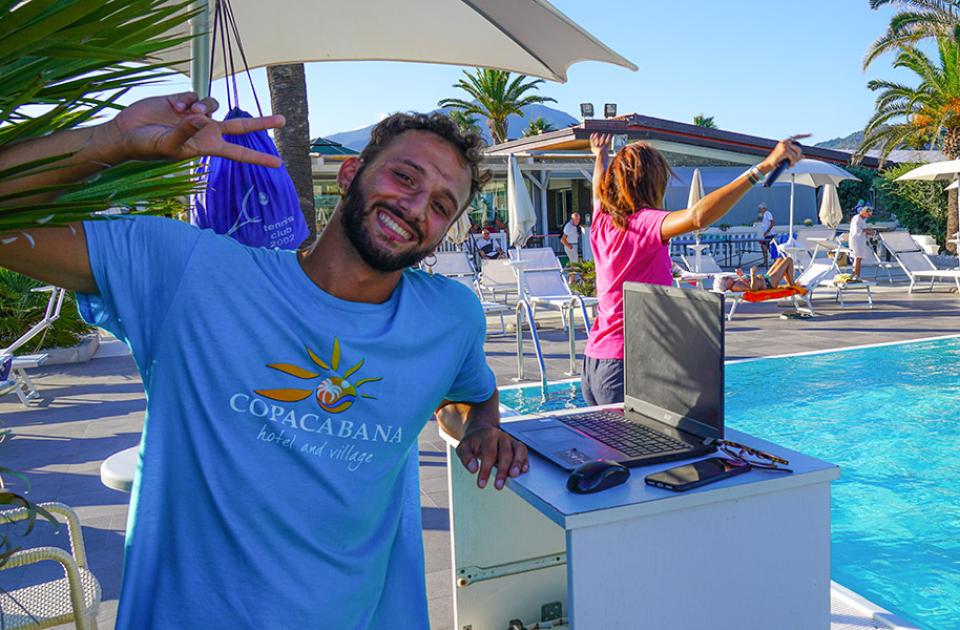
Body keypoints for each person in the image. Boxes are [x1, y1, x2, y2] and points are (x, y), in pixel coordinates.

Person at [0, 92, 529, 629]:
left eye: (441, 205)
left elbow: (468, 396)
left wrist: (481, 430)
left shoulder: (450, 316)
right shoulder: (187, 270)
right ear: (350, 174)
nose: (417, 208)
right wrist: (109, 141)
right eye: (406, 177)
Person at [582, 132, 804, 406]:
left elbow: (597, 187)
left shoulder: (602, 220)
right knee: (644, 447)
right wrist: (763, 167)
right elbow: (698, 216)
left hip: (596, 361)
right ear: (653, 182)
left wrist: (600, 156)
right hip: (630, 361)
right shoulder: (644, 223)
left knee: (610, 448)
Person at [719, 256, 796, 292]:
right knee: (788, 260)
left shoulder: (735, 283)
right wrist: (752, 274)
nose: (728, 277)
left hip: (765, 278)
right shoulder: (736, 286)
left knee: (780, 259)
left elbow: (747, 282)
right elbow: (753, 289)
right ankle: (792, 284)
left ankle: (790, 283)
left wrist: (741, 275)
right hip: (769, 283)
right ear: (726, 284)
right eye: (726, 278)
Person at [849, 202, 875, 280]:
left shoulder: (862, 219)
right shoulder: (857, 218)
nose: (869, 216)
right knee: (858, 258)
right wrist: (868, 231)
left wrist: (868, 232)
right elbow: (857, 230)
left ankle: (855, 275)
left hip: (860, 240)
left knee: (858, 258)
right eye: (869, 215)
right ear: (864, 213)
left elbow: (863, 230)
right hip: (856, 240)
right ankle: (856, 275)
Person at [756, 202, 775, 267]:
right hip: (766, 235)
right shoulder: (763, 214)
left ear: (764, 208)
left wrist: (768, 231)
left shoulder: (768, 213)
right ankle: (765, 261)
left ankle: (774, 262)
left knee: (771, 249)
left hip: (770, 234)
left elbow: (772, 222)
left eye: (760, 208)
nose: (759, 210)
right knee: (763, 247)